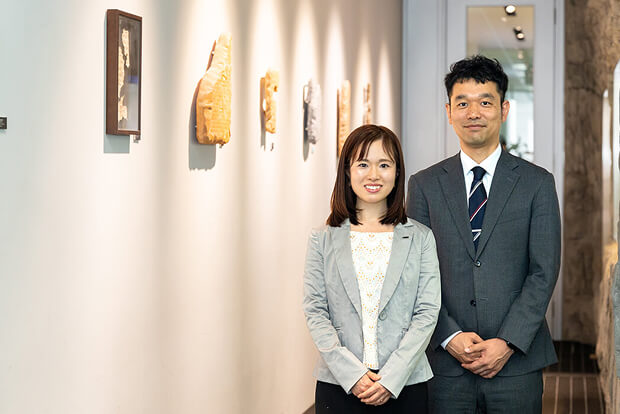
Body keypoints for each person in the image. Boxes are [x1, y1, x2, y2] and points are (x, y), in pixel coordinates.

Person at [407, 55, 561, 413]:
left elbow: (543, 272)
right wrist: (449, 336)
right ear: (449, 113)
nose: (473, 113)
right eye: (462, 103)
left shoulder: (537, 183)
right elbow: (415, 274)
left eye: (485, 102)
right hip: (445, 366)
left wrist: (507, 342)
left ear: (503, 109)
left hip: (516, 364)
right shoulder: (424, 185)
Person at [303, 124, 441, 413]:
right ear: (347, 171)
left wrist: (392, 377)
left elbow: (427, 312)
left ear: (397, 172)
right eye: (363, 164)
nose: (374, 175)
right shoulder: (322, 238)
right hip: (339, 385)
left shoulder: (421, 238)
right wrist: (352, 375)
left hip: (405, 384)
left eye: (384, 165)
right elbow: (315, 310)